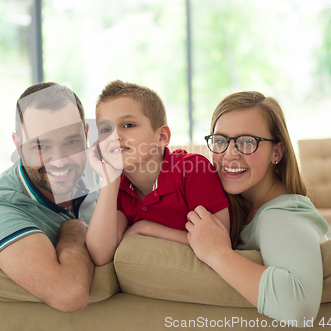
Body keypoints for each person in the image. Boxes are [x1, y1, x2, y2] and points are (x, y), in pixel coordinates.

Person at [186, 91, 328, 325]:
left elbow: (300, 308)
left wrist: (217, 253)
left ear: (277, 152)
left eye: (247, 142)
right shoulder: (245, 208)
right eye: (221, 141)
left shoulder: (282, 216)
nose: (229, 154)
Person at [0, 82, 100, 312]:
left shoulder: (103, 175)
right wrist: (74, 229)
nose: (59, 161)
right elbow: (69, 294)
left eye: (71, 142)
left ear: (86, 135)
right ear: (18, 146)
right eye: (41, 146)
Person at [86, 80, 230, 266]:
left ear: (161, 137)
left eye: (128, 125)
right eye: (105, 130)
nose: (114, 136)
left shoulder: (192, 170)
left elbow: (221, 242)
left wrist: (144, 228)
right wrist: (109, 179)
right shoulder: (119, 185)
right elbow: (100, 255)